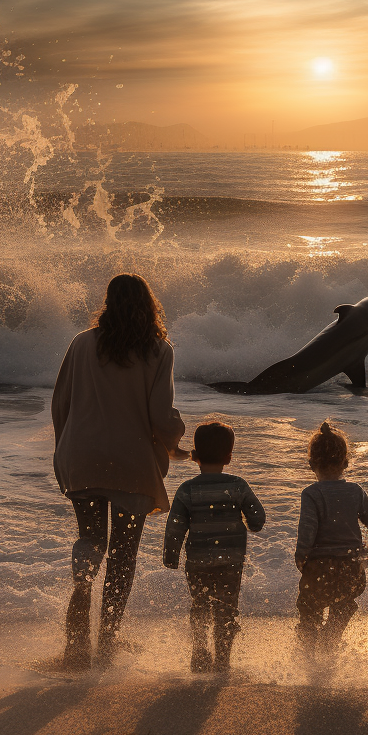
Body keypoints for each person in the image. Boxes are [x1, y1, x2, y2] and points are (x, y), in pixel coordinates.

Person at [52, 274, 188, 670]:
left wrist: (64, 451)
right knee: (123, 556)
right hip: (131, 465)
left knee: (91, 540)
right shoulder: (158, 350)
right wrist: (175, 445)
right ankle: (107, 641)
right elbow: (161, 416)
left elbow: (61, 403)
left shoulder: (81, 342)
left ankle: (77, 630)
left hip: (82, 457)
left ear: (107, 302)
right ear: (149, 305)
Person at [163, 421, 265, 672]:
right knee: (226, 608)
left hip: (197, 560)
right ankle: (222, 659)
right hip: (231, 560)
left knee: (200, 604)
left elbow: (176, 524)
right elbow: (258, 518)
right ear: (229, 457)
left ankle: (199, 651)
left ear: (195, 455)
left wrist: (171, 554)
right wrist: (251, 523)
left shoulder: (187, 489)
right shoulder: (237, 485)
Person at [294, 421, 368, 658]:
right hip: (351, 566)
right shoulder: (355, 491)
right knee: (343, 605)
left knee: (309, 609)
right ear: (345, 462)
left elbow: (308, 528)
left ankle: (308, 654)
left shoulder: (311, 493)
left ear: (311, 463)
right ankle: (331, 637)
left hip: (319, 565)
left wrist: (301, 553)